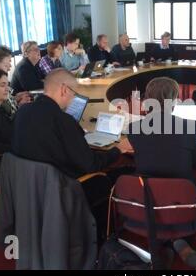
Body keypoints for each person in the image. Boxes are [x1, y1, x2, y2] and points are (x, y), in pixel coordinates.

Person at [11, 68, 133, 242]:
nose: (73, 99)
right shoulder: (63, 121)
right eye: (74, 94)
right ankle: (103, 237)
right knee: (120, 173)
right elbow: (90, 165)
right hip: (64, 188)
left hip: (30, 186)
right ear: (64, 90)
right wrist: (117, 149)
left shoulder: (22, 112)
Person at [127, 77, 196, 269]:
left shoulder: (133, 128)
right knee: (182, 188)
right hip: (182, 202)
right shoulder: (189, 127)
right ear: (175, 101)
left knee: (156, 189)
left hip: (146, 200)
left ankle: (164, 246)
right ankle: (179, 242)